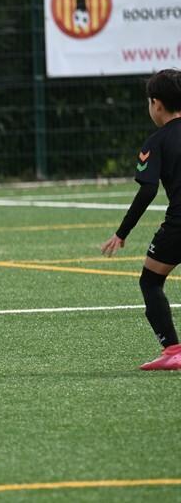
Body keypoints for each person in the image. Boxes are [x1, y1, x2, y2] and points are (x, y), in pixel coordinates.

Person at [101, 68, 181, 370]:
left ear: (156, 104)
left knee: (151, 281)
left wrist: (122, 232)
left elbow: (147, 190)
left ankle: (173, 351)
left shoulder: (156, 141)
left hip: (179, 226)